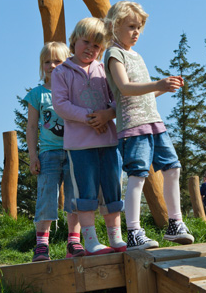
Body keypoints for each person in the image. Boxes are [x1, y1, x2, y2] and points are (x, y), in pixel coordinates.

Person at [103, 1, 194, 250]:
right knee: (138, 175)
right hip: (133, 126)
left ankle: (175, 223)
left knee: (173, 168)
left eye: (139, 27)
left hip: (155, 123)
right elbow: (124, 88)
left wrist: (163, 89)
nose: (136, 32)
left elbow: (142, 94)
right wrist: (158, 84)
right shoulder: (114, 54)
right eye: (131, 26)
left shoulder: (136, 55)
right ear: (114, 27)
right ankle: (133, 231)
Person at [52, 17, 126, 256]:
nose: (90, 49)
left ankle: (116, 238)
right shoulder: (61, 72)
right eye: (86, 42)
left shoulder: (104, 69)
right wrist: (90, 116)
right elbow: (61, 105)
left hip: (109, 141)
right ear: (74, 41)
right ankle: (91, 240)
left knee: (113, 189)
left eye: (96, 46)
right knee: (86, 192)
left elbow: (118, 97)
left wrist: (107, 114)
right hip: (80, 146)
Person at [26, 42, 85, 262]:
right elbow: (31, 127)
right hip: (48, 154)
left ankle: (74, 241)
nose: (52, 65)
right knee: (46, 198)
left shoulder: (73, 90)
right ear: (42, 65)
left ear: (67, 63)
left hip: (74, 150)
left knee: (74, 198)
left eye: (57, 61)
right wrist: (33, 156)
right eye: (47, 61)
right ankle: (41, 245)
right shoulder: (37, 94)